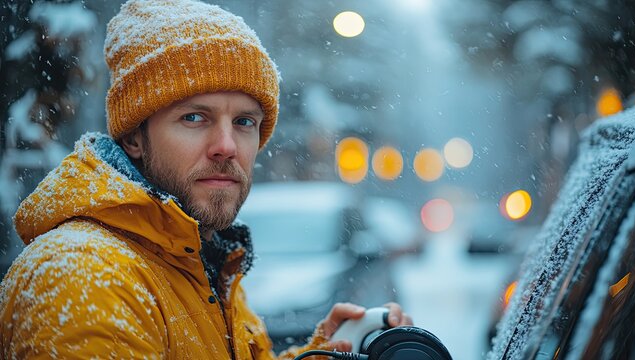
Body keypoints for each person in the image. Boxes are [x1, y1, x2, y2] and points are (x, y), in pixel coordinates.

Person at [0, 0, 413, 358]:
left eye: (245, 122)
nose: (226, 146)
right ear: (133, 137)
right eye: (194, 117)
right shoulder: (85, 277)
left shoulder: (200, 259)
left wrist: (320, 354)